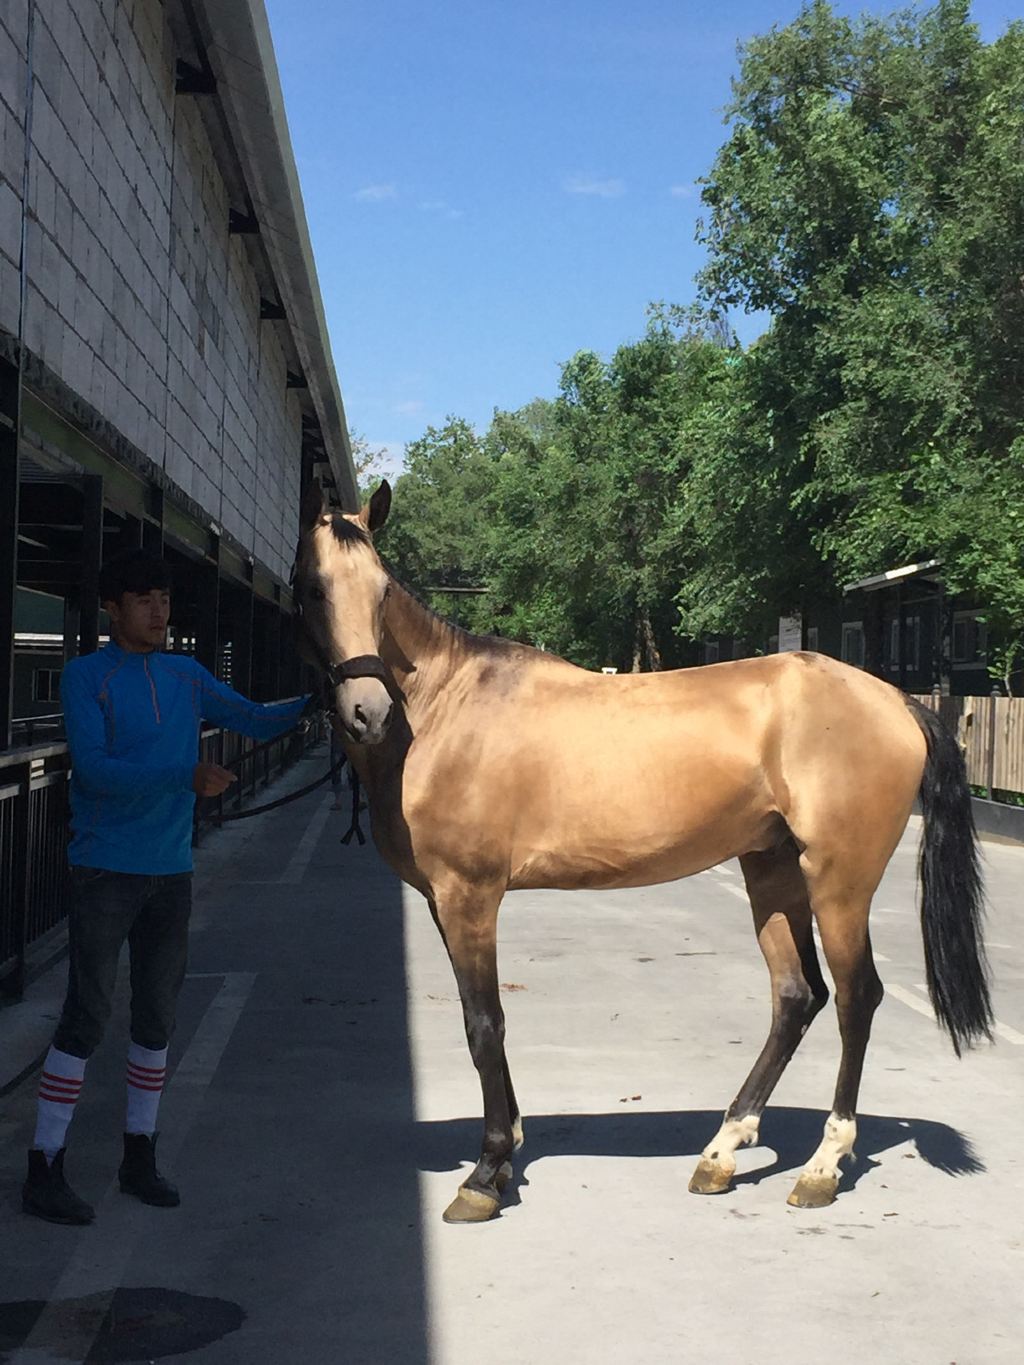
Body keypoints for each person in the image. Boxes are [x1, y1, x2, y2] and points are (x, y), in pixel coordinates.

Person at [23, 548, 312, 1225]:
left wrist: (319, 697)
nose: (160, 611)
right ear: (113, 608)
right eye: (145, 598)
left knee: (156, 1018)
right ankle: (44, 1165)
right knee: (87, 1014)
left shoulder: (185, 673)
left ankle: (139, 1154)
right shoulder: (86, 677)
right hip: (104, 869)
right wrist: (182, 774)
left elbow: (251, 716)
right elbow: (94, 771)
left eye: (164, 598)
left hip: (170, 871)